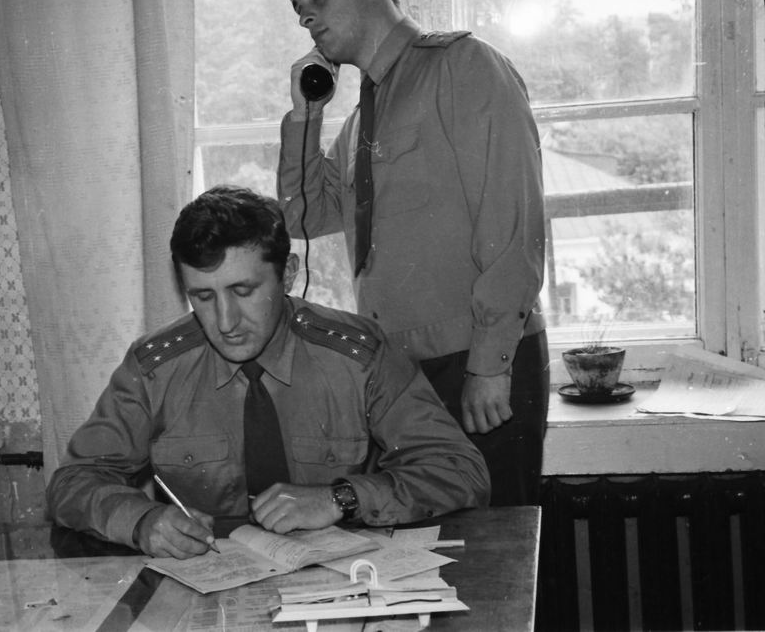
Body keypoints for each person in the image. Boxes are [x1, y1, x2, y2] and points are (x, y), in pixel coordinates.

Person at [47, 185, 489, 558]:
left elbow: (460, 471)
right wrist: (141, 521)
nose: (225, 322)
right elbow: (72, 482)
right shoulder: (155, 369)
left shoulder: (358, 356)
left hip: (341, 585)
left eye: (243, 291)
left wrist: (341, 498)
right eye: (203, 297)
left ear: (288, 275)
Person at [277, 0, 549, 506]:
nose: (305, 15)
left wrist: (490, 365)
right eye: (297, 7)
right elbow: (303, 215)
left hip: (475, 359)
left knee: (494, 542)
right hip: (400, 377)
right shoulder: (361, 120)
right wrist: (306, 114)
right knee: (425, 545)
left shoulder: (464, 67)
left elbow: (513, 223)